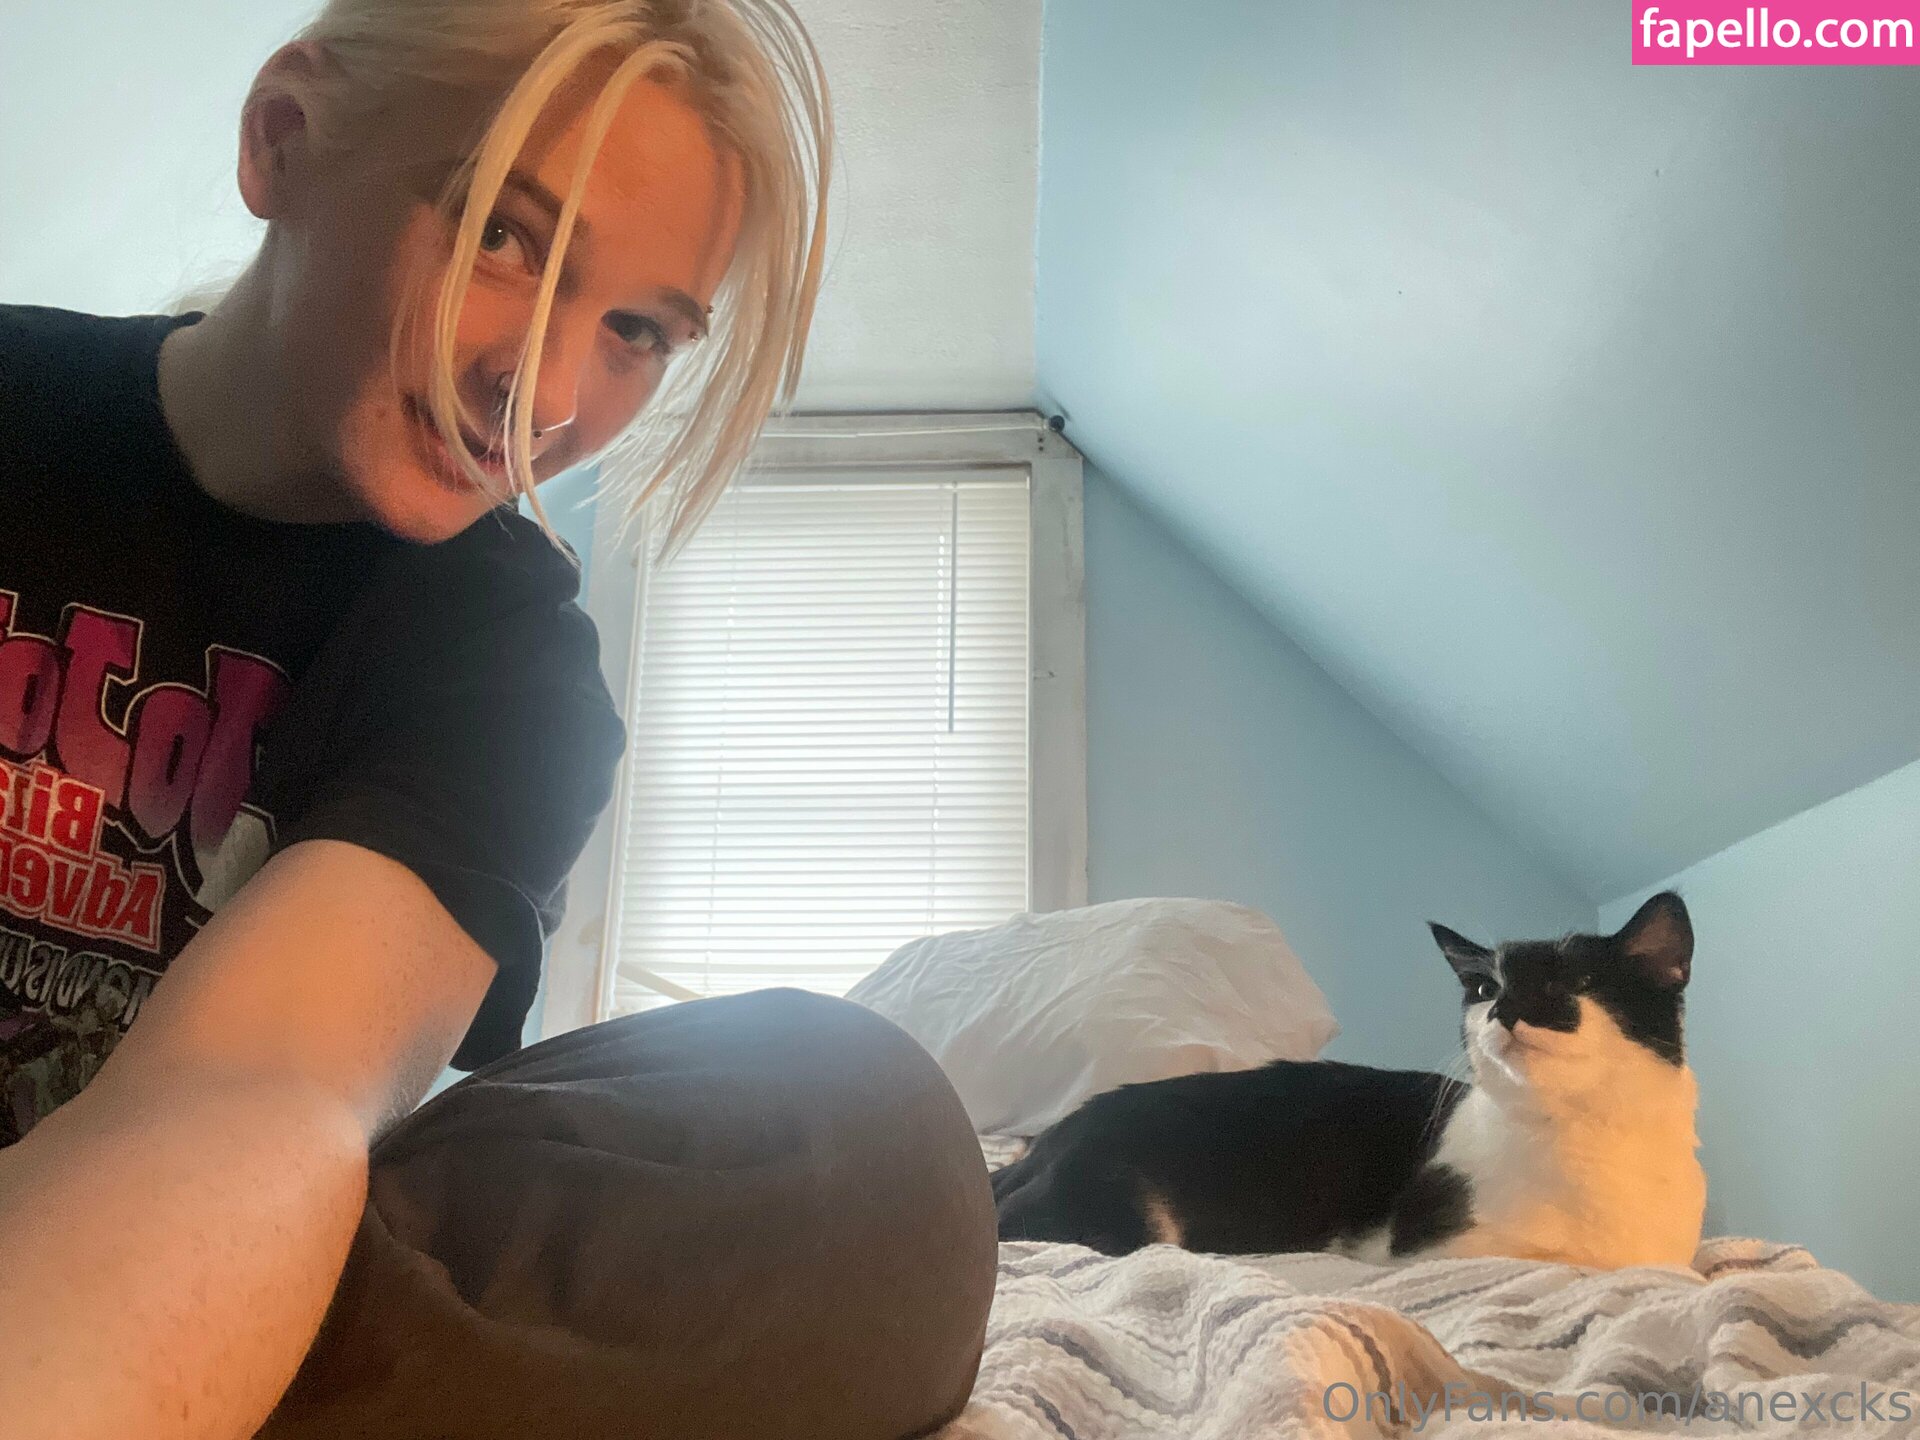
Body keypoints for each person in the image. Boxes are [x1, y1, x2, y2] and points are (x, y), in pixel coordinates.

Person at [0, 3, 996, 1438]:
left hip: (192, 1227)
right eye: (507, 238)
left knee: (859, 1134)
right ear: (283, 141)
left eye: (638, 332)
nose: (547, 392)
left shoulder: (511, 666)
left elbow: (261, 1089)